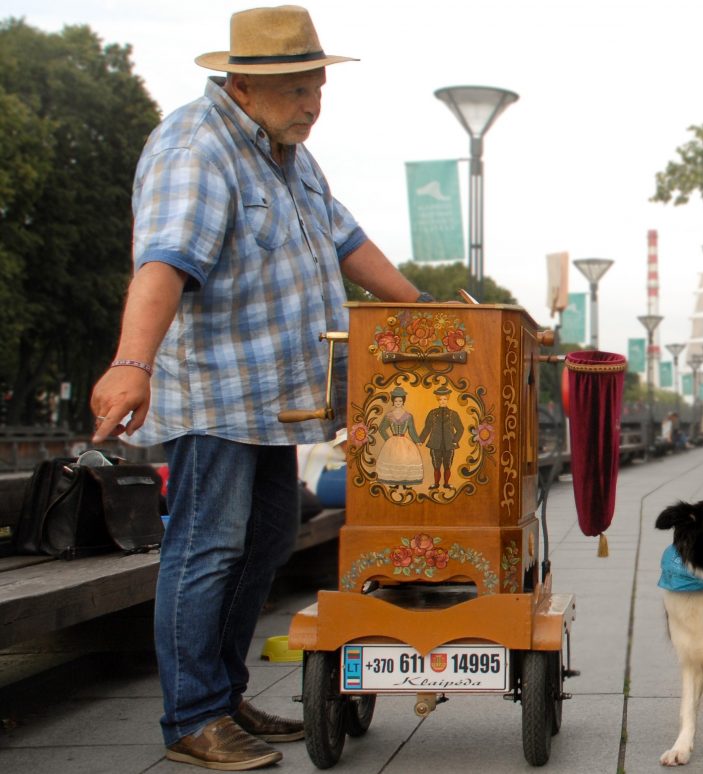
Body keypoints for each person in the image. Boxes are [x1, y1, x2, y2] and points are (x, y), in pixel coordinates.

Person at [89, 6, 430, 770]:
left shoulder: (290, 153)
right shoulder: (195, 148)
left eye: (317, 86)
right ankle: (192, 717)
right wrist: (131, 361)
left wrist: (426, 313)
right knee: (208, 545)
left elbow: (345, 238)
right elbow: (165, 261)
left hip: (278, 397)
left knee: (269, 536)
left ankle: (223, 693)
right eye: (299, 90)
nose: (314, 103)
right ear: (244, 86)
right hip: (217, 396)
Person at [376, 386, 424, 487]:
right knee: (393, 460)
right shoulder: (389, 416)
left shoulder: (408, 416)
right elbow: (381, 429)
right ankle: (394, 482)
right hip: (392, 442)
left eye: (400, 401)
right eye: (396, 401)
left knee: (405, 460)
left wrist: (417, 440)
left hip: (404, 442)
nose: (398, 403)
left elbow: (411, 430)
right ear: (393, 401)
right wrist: (388, 440)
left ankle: (405, 482)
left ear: (403, 402)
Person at [419, 386, 464, 490]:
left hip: (449, 445)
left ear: (447, 399)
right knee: (436, 466)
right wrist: (420, 440)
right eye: (440, 399)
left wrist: (455, 441)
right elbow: (427, 428)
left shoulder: (453, 414)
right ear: (437, 400)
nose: (442, 401)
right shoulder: (432, 413)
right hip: (435, 444)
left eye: (444, 399)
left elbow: (460, 429)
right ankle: (436, 484)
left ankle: (446, 484)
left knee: (448, 466)